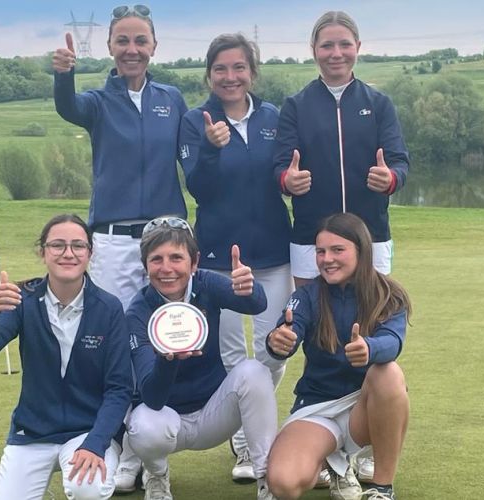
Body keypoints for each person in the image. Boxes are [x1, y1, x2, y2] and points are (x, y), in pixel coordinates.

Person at [53, 5, 188, 491]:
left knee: (162, 337)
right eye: (123, 41)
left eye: (141, 41)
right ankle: (127, 447)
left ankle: (149, 452)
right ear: (110, 47)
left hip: (164, 239)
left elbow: (191, 150)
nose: (132, 50)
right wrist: (62, 76)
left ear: (154, 46)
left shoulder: (171, 98)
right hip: (111, 240)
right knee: (120, 344)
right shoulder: (96, 100)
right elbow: (67, 109)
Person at [178, 33, 293, 482]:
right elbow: (198, 188)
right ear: (209, 74)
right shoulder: (195, 120)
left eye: (239, 68)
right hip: (214, 257)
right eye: (221, 69)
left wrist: (292, 180)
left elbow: (283, 174)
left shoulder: (273, 118)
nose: (230, 76)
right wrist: (210, 147)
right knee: (229, 356)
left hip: (272, 250)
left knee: (276, 349)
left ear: (252, 71)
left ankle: (250, 427)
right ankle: (248, 445)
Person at [0, 214, 133, 500]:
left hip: (88, 432)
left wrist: (95, 443)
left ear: (90, 253)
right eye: (57, 245)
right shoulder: (22, 299)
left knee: (87, 490)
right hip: (33, 433)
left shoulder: (109, 308)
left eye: (78, 246)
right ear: (43, 252)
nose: (68, 253)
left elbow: (119, 389)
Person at [124, 216, 278, 500]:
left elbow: (257, 304)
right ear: (145, 265)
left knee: (255, 371)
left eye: (176, 258)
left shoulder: (205, 284)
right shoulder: (137, 311)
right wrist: (167, 361)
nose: (166, 268)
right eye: (156, 259)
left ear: (194, 262)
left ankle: (267, 478)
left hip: (214, 412)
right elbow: (152, 397)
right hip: (166, 421)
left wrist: (249, 287)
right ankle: (156, 475)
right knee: (143, 423)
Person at [265, 213, 411, 500]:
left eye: (337, 250)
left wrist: (370, 348)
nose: (326, 259)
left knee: (389, 373)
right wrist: (279, 340)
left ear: (362, 250)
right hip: (318, 406)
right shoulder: (307, 295)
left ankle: (382, 489)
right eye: (321, 251)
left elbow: (393, 342)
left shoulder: (389, 294)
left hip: (366, 407)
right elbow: (289, 326)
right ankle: (336, 465)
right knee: (284, 483)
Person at [273, 10, 410, 287]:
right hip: (311, 238)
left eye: (345, 44)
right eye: (327, 45)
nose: (336, 53)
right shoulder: (296, 106)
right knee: (313, 325)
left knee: (369, 326)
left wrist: (390, 178)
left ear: (357, 47)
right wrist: (288, 180)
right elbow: (280, 167)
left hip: (371, 234)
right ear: (314, 50)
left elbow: (399, 163)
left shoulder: (379, 103)